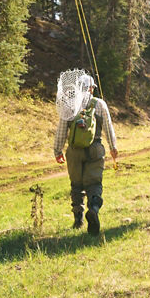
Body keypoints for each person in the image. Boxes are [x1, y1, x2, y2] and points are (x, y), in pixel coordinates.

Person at [53, 74, 118, 235]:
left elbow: (61, 130)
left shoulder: (69, 105)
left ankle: (78, 219)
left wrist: (57, 150)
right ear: (91, 88)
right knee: (94, 182)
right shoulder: (99, 104)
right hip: (95, 148)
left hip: (74, 151)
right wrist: (113, 147)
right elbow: (108, 127)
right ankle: (94, 209)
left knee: (76, 184)